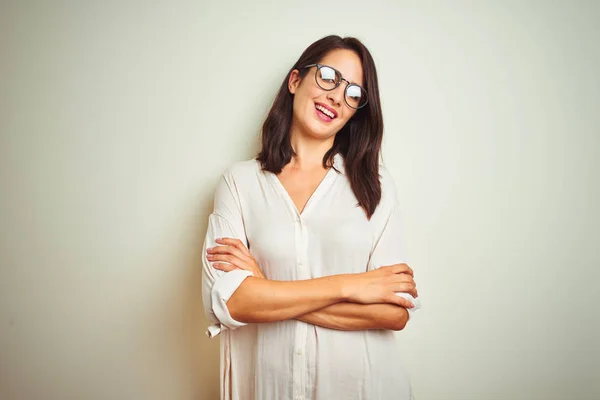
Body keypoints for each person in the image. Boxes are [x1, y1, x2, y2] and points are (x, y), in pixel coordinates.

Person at [202, 34, 421, 400]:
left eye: (353, 93)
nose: (337, 95)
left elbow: (394, 313)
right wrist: (351, 285)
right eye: (329, 77)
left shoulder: (375, 187)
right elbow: (233, 302)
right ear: (295, 80)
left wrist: (266, 287)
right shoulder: (239, 184)